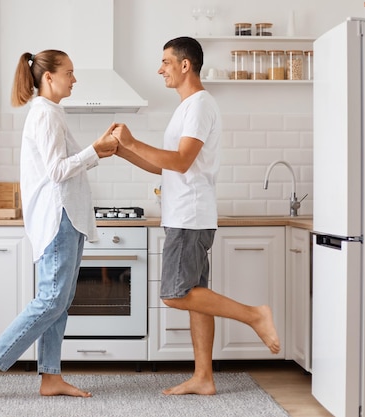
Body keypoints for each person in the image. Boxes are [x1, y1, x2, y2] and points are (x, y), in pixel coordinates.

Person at [112, 37, 280, 396]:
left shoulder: (200, 105)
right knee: (195, 294)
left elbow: (182, 161)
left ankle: (255, 315)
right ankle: (203, 376)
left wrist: (133, 140)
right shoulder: (187, 107)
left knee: (174, 294)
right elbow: (168, 167)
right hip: (186, 214)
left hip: (189, 216)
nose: (160, 69)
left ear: (185, 64)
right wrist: (124, 152)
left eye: (165, 62)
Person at [0, 49, 118, 400]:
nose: (74, 79)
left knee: (60, 302)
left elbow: (65, 163)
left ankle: (50, 377)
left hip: (69, 216)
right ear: (48, 77)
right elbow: (56, 171)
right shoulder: (45, 115)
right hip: (59, 217)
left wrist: (99, 151)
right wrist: (95, 150)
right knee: (52, 299)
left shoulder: (52, 112)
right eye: (69, 72)